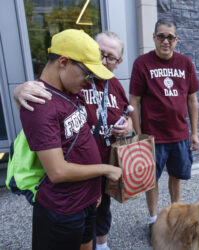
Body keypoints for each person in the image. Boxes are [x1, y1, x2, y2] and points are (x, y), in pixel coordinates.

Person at [14, 31, 132, 250]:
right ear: (64, 62)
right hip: (63, 209)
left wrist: (94, 191)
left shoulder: (69, 89)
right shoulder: (41, 103)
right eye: (87, 73)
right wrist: (105, 169)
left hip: (87, 199)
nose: (90, 80)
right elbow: (57, 172)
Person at [129, 18, 199, 237]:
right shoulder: (142, 63)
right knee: (151, 180)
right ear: (154, 38)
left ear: (176, 40)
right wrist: (138, 134)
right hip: (152, 136)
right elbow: (134, 101)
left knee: (176, 177)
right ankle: (153, 220)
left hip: (179, 135)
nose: (165, 41)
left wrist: (194, 133)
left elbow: (192, 100)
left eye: (170, 37)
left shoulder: (185, 63)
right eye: (161, 36)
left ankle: (175, 216)